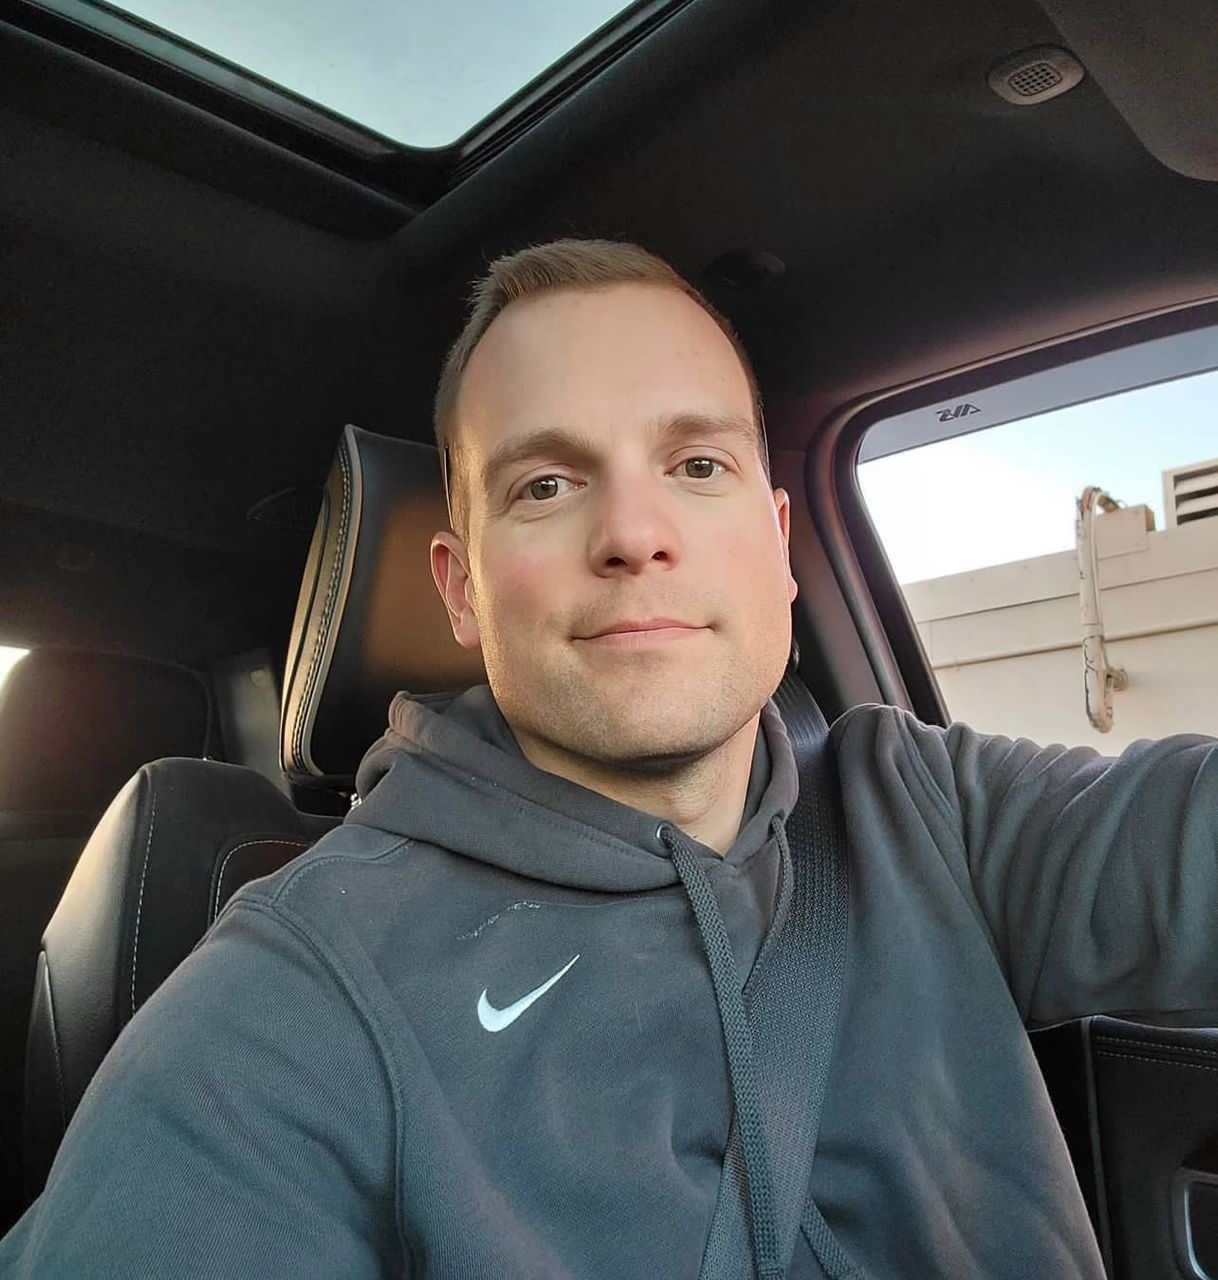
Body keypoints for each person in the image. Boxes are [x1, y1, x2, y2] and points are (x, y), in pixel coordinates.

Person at [2, 239, 1216, 1279]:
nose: (636, 533)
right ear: (462, 589)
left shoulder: (935, 805)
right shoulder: (303, 991)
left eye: (698, 466)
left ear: (778, 543)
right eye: (545, 483)